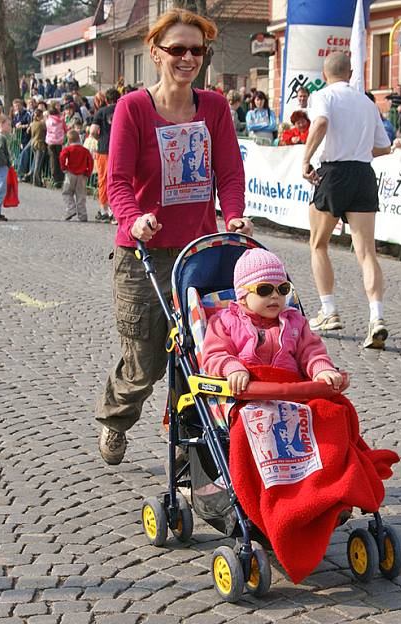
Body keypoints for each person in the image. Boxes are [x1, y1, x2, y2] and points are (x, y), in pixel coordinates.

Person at [95, 7, 252, 465]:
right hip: (142, 252)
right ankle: (115, 417)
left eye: (197, 50)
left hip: (197, 253)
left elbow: (229, 171)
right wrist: (134, 218)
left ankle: (190, 444)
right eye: (177, 49)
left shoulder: (216, 107)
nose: (188, 58)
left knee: (202, 355)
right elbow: (117, 181)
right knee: (146, 362)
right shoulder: (133, 108)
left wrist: (235, 215)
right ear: (155, 53)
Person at [301, 52, 392, 349]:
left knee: (318, 243)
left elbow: (321, 123)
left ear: (324, 74)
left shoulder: (322, 96)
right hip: (364, 173)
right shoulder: (367, 103)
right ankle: (377, 317)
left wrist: (306, 159)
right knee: (367, 253)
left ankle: (329, 310)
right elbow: (384, 147)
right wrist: (360, 149)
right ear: (351, 73)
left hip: (334, 172)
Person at [202, 248, 343, 395]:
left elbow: (311, 351)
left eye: (282, 289)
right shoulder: (224, 322)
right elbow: (215, 354)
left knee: (335, 409)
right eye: (264, 290)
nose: (275, 296)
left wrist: (322, 368)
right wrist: (232, 367)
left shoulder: (295, 322)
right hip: (247, 392)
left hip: (292, 390)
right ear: (242, 296)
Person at [91, 88, 120, 222]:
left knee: (103, 180)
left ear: (106, 100)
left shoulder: (101, 112)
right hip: (120, 148)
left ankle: (104, 210)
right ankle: (117, 209)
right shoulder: (123, 109)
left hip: (104, 149)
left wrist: (99, 139)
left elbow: (93, 132)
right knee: (119, 180)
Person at [59, 129, 93, 222]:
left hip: (70, 173)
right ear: (79, 138)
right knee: (81, 195)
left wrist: (64, 167)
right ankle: (82, 215)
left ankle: (71, 209)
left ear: (69, 140)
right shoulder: (85, 150)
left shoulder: (68, 149)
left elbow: (62, 156)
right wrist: (88, 173)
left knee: (67, 192)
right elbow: (90, 161)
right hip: (82, 175)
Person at [45, 104, 67, 188]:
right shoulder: (61, 120)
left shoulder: (48, 120)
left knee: (52, 160)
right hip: (59, 142)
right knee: (60, 159)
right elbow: (65, 129)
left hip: (50, 142)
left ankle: (54, 178)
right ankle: (61, 178)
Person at [29, 109, 47, 187]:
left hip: (33, 143)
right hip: (40, 144)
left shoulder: (33, 124)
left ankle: (36, 180)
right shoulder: (42, 124)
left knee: (36, 162)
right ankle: (36, 181)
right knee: (38, 164)